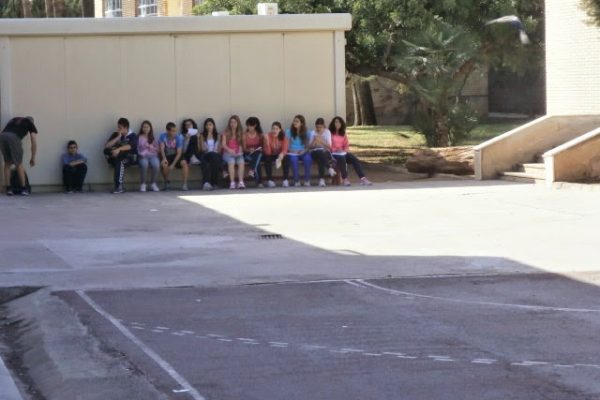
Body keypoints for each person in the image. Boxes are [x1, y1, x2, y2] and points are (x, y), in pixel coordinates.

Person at [0, 116, 37, 196]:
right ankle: (24, 189)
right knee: (19, 163)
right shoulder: (30, 123)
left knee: (7, 163)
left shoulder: (15, 119)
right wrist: (33, 158)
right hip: (14, 137)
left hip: (2, 136)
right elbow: (33, 141)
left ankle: (9, 189)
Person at [329, 116, 372, 186]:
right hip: (334, 154)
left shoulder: (343, 133)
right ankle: (345, 179)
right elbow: (328, 145)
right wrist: (336, 149)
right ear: (333, 123)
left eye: (339, 122)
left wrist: (343, 150)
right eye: (336, 122)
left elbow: (346, 146)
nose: (338, 124)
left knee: (355, 159)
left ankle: (363, 178)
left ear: (341, 124)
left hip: (343, 152)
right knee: (342, 159)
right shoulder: (330, 134)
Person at [104, 117, 138, 194]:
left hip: (130, 157)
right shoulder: (116, 134)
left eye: (120, 127)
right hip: (117, 156)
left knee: (120, 162)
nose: (118, 129)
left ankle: (119, 187)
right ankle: (118, 187)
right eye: (118, 127)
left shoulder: (133, 135)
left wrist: (118, 149)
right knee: (106, 151)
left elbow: (130, 146)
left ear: (126, 127)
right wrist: (118, 137)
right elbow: (107, 146)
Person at [283, 115, 312, 187]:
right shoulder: (288, 131)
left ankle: (307, 180)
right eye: (294, 121)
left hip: (303, 151)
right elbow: (286, 145)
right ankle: (296, 180)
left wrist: (304, 151)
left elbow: (308, 146)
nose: (294, 123)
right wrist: (292, 150)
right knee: (293, 160)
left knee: (308, 159)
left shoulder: (307, 132)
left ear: (301, 123)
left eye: (297, 121)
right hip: (292, 152)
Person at [159, 122, 189, 191]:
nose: (174, 132)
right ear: (167, 131)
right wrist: (164, 158)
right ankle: (167, 183)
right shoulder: (162, 136)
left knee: (184, 163)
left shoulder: (178, 138)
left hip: (176, 156)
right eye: (172, 131)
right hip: (167, 156)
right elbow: (162, 149)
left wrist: (173, 164)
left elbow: (179, 153)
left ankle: (184, 184)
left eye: (175, 130)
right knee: (164, 164)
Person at [308, 117, 337, 187]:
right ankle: (329, 169)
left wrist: (321, 141)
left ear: (324, 126)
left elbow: (329, 146)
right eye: (317, 127)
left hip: (325, 152)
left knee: (321, 157)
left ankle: (322, 180)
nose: (319, 129)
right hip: (314, 152)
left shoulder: (327, 132)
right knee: (320, 153)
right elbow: (310, 147)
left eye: (320, 127)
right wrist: (314, 141)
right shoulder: (313, 133)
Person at [221, 115, 245, 189]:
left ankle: (241, 182)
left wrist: (240, 151)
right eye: (231, 122)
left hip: (237, 153)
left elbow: (241, 145)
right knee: (231, 161)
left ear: (238, 123)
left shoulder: (241, 132)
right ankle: (232, 182)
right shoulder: (225, 132)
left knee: (241, 161)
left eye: (234, 122)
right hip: (227, 153)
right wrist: (230, 150)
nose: (232, 124)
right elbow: (223, 145)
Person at [197, 118, 221, 191]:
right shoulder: (202, 135)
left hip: (215, 155)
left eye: (210, 124)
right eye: (207, 125)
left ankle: (206, 183)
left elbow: (219, 149)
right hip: (205, 154)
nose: (208, 126)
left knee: (212, 161)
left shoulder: (218, 135)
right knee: (211, 157)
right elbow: (202, 149)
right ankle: (214, 183)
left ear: (213, 126)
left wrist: (215, 151)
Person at [137, 120, 160, 192]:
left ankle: (153, 183)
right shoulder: (138, 137)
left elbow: (158, 149)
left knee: (156, 165)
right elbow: (136, 148)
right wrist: (139, 154)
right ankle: (143, 184)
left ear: (150, 128)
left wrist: (151, 147)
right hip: (142, 155)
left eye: (147, 127)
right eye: (144, 127)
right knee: (144, 164)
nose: (145, 128)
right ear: (141, 128)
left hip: (152, 155)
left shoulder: (153, 137)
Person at [263, 122, 288, 188]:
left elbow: (285, 149)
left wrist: (282, 154)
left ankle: (285, 180)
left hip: (279, 154)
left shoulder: (284, 137)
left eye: (277, 129)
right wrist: (267, 143)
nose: (274, 131)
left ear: (280, 130)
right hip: (271, 154)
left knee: (286, 158)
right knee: (267, 158)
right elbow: (268, 152)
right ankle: (270, 180)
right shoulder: (268, 136)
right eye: (273, 129)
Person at [243, 117, 264, 187]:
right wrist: (249, 150)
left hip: (257, 154)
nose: (248, 127)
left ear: (254, 125)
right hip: (247, 155)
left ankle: (252, 170)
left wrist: (260, 149)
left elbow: (262, 146)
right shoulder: (245, 135)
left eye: (249, 125)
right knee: (257, 162)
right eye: (247, 125)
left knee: (258, 154)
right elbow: (244, 149)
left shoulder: (259, 135)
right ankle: (259, 182)